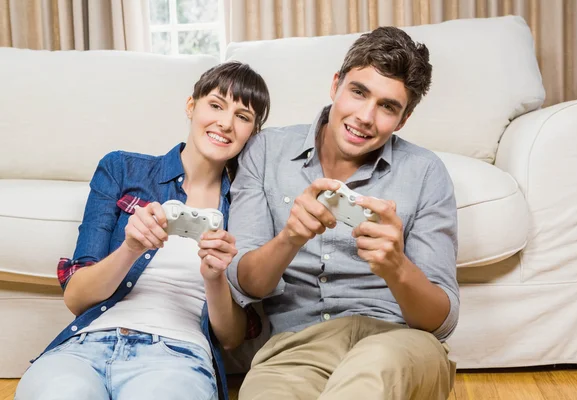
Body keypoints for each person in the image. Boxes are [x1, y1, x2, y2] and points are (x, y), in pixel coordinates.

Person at [227, 27, 459, 400]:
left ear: (403, 120)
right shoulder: (265, 150)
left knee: (370, 378)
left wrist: (397, 268)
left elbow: (441, 320)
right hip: (295, 348)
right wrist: (289, 238)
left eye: (388, 106)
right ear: (336, 85)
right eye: (359, 92)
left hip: (397, 341)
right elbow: (246, 283)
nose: (366, 116)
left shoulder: (425, 172)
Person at [15, 61, 270, 400]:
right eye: (216, 105)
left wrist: (214, 278)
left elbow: (231, 337)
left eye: (242, 116)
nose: (225, 123)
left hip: (176, 358)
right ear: (191, 105)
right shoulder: (121, 170)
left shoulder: (246, 205)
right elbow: (76, 298)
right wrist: (131, 248)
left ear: (252, 132)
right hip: (85, 348)